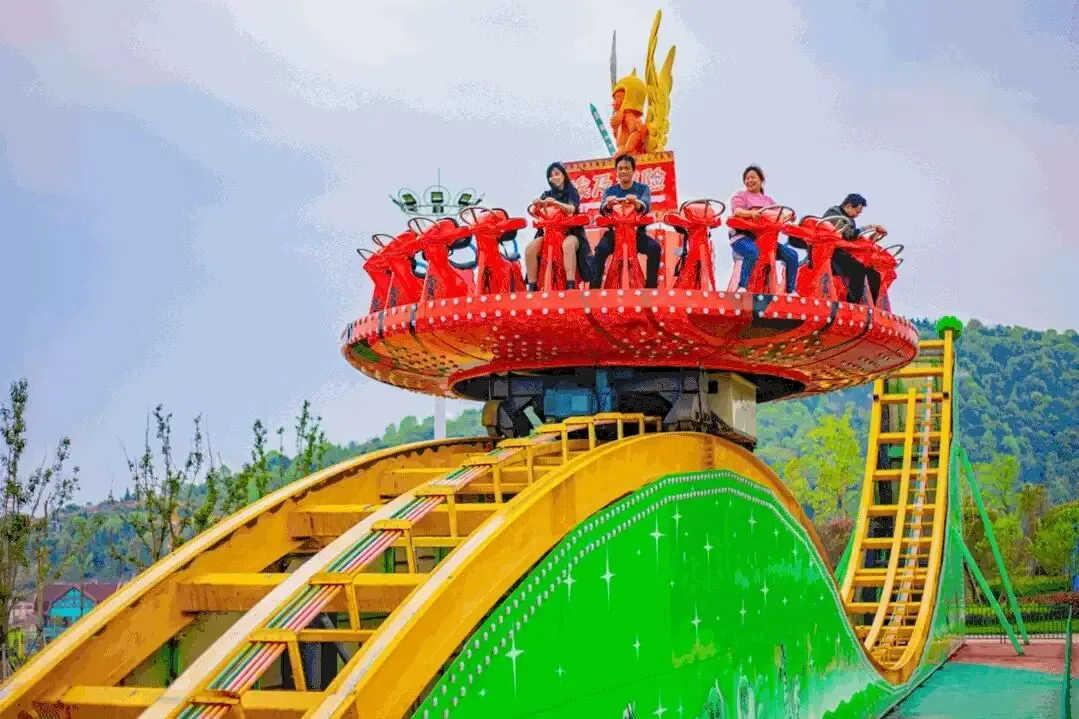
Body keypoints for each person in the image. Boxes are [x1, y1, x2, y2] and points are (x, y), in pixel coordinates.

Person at [590, 153, 662, 289]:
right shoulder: (609, 191)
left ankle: (651, 288)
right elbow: (602, 210)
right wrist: (608, 204)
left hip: (635, 233)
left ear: (633, 171)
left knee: (655, 248)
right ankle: (594, 290)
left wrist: (637, 203)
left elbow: (645, 206)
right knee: (600, 250)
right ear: (616, 171)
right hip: (615, 233)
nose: (623, 171)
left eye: (627, 168)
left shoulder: (643, 189)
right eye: (620, 168)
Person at [728, 165, 799, 294]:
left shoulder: (768, 200)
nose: (749, 180)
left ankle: (790, 290)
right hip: (744, 237)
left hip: (767, 240)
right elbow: (737, 211)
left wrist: (789, 216)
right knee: (752, 251)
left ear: (761, 180)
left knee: (792, 255)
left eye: (753, 177)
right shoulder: (741, 195)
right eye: (747, 178)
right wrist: (751, 214)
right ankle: (742, 286)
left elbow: (778, 214)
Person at [524, 162, 588, 291]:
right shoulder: (546, 194)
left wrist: (557, 203)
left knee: (568, 245)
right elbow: (537, 212)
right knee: (530, 249)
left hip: (569, 232)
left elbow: (572, 209)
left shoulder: (572, 192)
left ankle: (570, 285)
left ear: (563, 175)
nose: (554, 177)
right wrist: (537, 203)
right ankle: (532, 286)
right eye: (551, 176)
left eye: (557, 174)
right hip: (548, 232)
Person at [821, 193, 887, 304]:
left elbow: (854, 237)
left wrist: (874, 232)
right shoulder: (833, 214)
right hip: (830, 253)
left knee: (874, 274)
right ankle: (853, 303)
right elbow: (848, 235)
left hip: (843, 253)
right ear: (848, 206)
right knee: (858, 269)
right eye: (857, 212)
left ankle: (870, 305)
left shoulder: (850, 220)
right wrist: (869, 227)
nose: (857, 215)